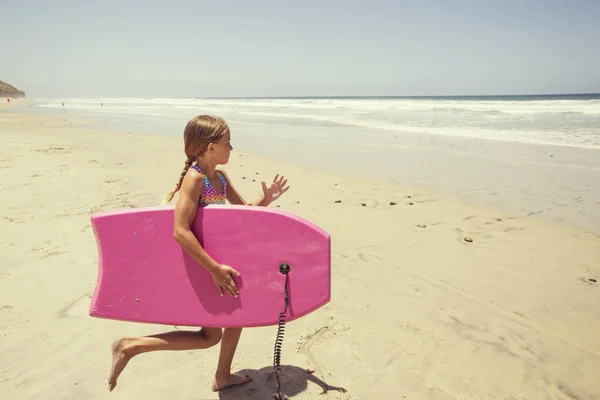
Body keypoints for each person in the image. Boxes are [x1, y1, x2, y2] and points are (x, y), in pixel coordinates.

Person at [108, 115, 290, 392]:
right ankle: (131, 346)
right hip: (203, 264)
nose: (232, 147)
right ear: (210, 147)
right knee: (213, 332)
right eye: (227, 142)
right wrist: (214, 268)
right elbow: (180, 231)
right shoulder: (195, 179)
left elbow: (242, 213)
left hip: (216, 263)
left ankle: (140, 348)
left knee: (219, 329)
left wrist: (265, 199)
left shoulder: (220, 178)